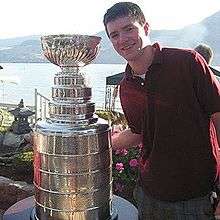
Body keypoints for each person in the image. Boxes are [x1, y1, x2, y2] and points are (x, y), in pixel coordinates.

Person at [103, 2, 220, 219]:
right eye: (114, 35)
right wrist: (101, 140)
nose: (122, 39)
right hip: (149, 194)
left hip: (195, 195)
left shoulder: (187, 62)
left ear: (145, 28)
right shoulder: (126, 86)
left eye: (129, 29)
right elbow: (139, 132)